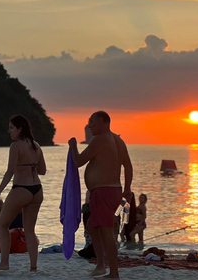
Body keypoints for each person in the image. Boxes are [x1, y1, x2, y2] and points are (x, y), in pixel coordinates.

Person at [68, 110, 133, 279]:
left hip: (103, 192)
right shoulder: (119, 140)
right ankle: (100, 265)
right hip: (115, 191)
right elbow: (128, 166)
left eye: (92, 122)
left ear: (103, 122)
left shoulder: (100, 139)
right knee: (91, 226)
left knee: (106, 232)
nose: (89, 126)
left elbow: (78, 161)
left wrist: (73, 146)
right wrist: (127, 189)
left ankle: (113, 273)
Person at [0, 115, 46, 272]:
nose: (9, 131)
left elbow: (10, 171)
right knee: (30, 230)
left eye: (11, 128)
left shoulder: (16, 146)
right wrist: (30, 165)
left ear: (20, 129)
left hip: (21, 188)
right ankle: (34, 266)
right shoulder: (36, 146)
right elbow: (42, 171)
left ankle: (4, 263)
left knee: (2, 224)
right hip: (37, 190)